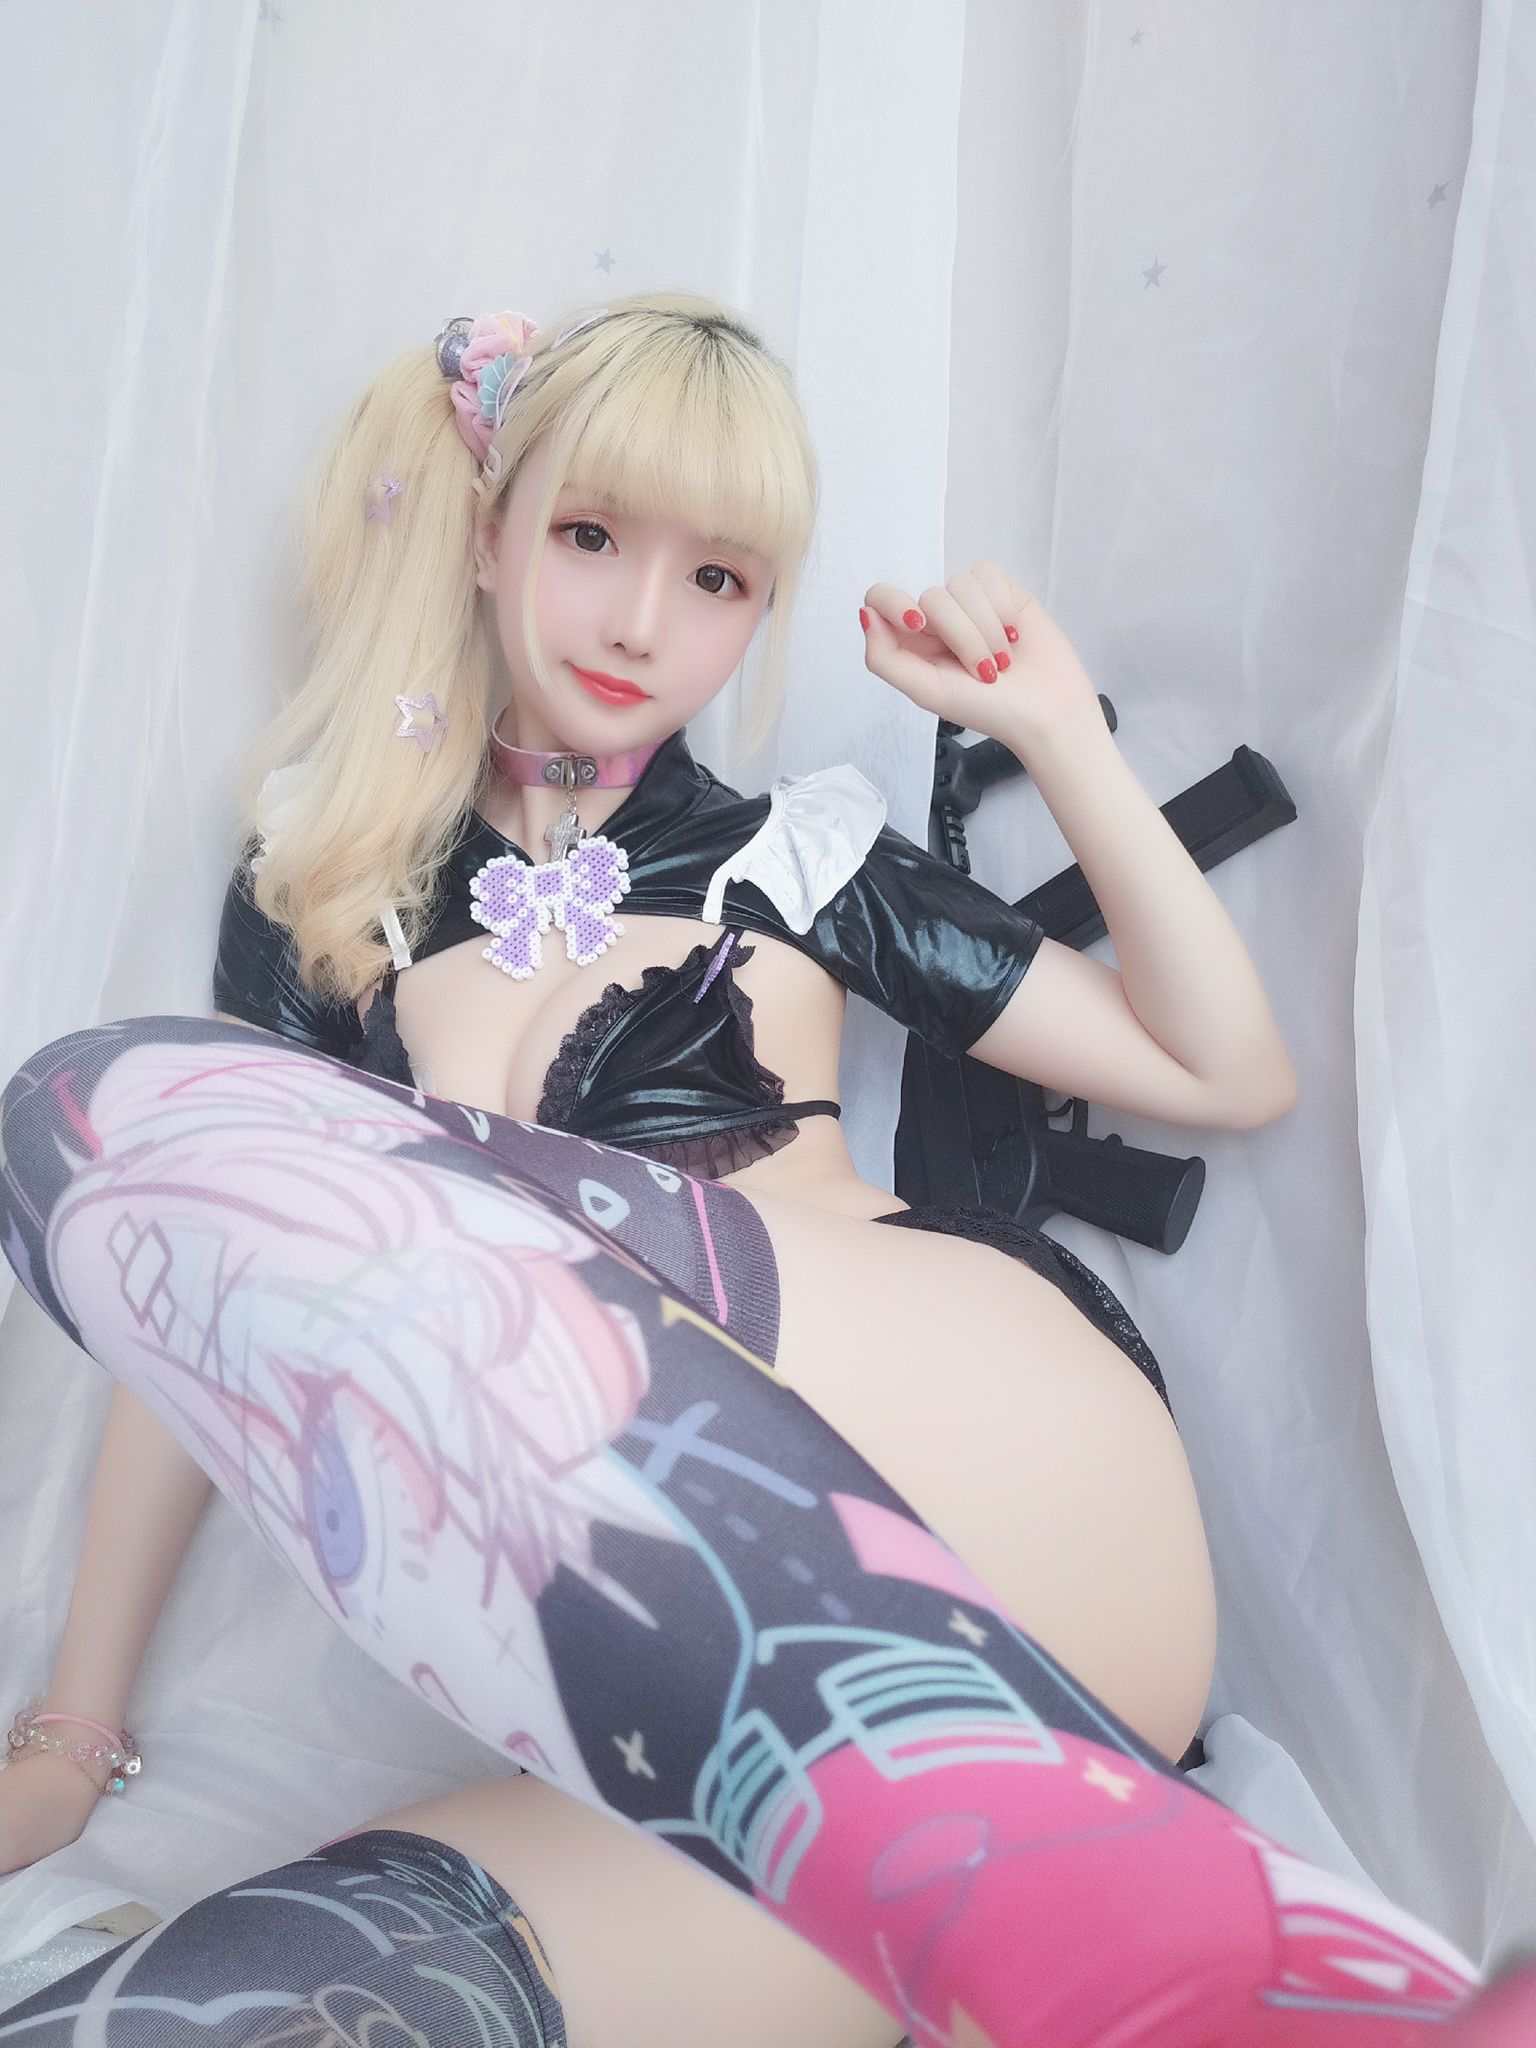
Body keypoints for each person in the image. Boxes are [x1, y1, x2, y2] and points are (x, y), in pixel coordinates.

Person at [0, 291, 1529, 2047]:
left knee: (155, 1125)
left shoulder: (795, 857)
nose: (643, 623)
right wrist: (73, 1736)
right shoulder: (327, 895)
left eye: (718, 577)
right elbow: (188, 1307)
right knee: (240, 2004)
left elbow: (1225, 1071)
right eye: (590, 538)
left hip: (994, 1482)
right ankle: (1231, 1974)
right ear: (487, 535)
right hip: (777, 1721)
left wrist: (1057, 733)